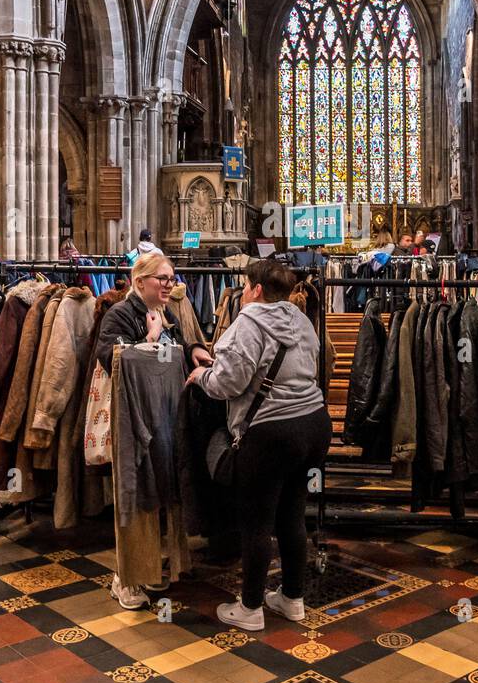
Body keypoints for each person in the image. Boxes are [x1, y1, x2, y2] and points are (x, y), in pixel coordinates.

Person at [187, 260, 331, 631]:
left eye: (245, 285)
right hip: (314, 424)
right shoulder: (301, 319)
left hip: (272, 434)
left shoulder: (247, 322)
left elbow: (227, 385)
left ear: (256, 290)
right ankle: (292, 599)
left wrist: (202, 375)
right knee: (292, 515)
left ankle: (250, 608)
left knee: (256, 522)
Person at [97, 252, 212, 609]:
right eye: (163, 278)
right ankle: (125, 577)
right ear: (140, 280)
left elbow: (173, 346)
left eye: (172, 279)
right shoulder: (118, 314)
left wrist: (192, 349)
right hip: (134, 419)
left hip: (165, 414)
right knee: (136, 496)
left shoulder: (166, 313)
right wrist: (148, 338)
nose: (170, 285)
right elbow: (109, 359)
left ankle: (152, 567)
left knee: (161, 493)